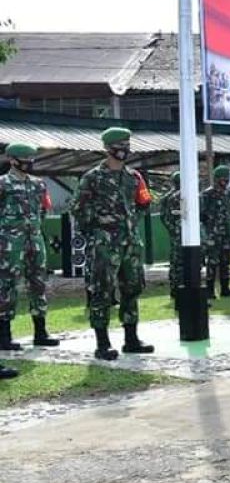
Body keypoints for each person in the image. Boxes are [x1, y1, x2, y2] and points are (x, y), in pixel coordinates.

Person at [71, 127, 154, 359]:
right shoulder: (92, 177)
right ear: (107, 148)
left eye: (127, 145)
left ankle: (131, 339)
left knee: (133, 288)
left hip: (130, 241)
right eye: (119, 146)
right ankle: (103, 343)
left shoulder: (133, 177)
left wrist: (131, 221)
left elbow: (144, 202)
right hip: (104, 243)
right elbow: (77, 208)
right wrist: (98, 228)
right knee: (102, 291)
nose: (123, 150)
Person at [0, 143, 59, 353]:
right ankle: (4, 335)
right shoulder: (3, 184)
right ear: (13, 160)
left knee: (38, 283)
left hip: (35, 239)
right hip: (9, 242)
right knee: (7, 286)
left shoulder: (38, 184)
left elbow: (43, 209)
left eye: (31, 159)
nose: (29, 163)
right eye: (25, 159)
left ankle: (41, 333)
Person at [200, 165, 230, 299]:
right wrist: (209, 228)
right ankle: (210, 290)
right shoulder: (207, 194)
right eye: (223, 179)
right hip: (213, 234)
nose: (225, 182)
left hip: (226, 232)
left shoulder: (228, 193)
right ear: (216, 179)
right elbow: (202, 214)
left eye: (227, 179)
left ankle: (225, 288)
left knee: (225, 261)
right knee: (212, 262)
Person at [159, 172, 183, 306]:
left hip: (175, 233)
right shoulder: (176, 197)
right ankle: (178, 291)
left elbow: (164, 217)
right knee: (179, 263)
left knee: (175, 263)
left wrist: (171, 229)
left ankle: (175, 290)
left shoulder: (167, 197)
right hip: (180, 234)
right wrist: (175, 229)